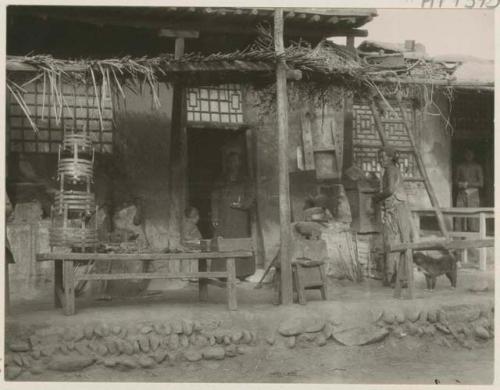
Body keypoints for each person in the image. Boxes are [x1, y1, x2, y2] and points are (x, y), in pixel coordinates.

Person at [372, 146, 413, 288]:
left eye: (383, 157)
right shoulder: (393, 169)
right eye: (379, 158)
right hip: (398, 208)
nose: (380, 160)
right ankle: (400, 277)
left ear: (389, 158)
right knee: (400, 240)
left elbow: (389, 190)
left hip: (396, 208)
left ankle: (394, 277)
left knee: (393, 241)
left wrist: (375, 198)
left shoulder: (390, 169)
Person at [210, 151, 255, 279]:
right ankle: (221, 272)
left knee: (240, 242)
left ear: (239, 163)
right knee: (222, 241)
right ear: (227, 164)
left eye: (236, 161)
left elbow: (251, 196)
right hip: (224, 217)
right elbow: (215, 198)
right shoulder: (221, 179)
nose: (233, 164)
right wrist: (214, 215)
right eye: (231, 161)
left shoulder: (245, 179)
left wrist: (242, 205)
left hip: (239, 217)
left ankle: (242, 273)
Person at [455, 149, 483, 232]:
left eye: (470, 154)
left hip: (473, 193)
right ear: (464, 155)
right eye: (467, 154)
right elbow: (455, 181)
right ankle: (459, 236)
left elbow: (481, 183)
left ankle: (474, 237)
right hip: (462, 193)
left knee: (473, 215)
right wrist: (460, 184)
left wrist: (467, 184)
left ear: (473, 155)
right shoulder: (460, 166)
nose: (468, 156)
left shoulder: (478, 167)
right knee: (459, 215)